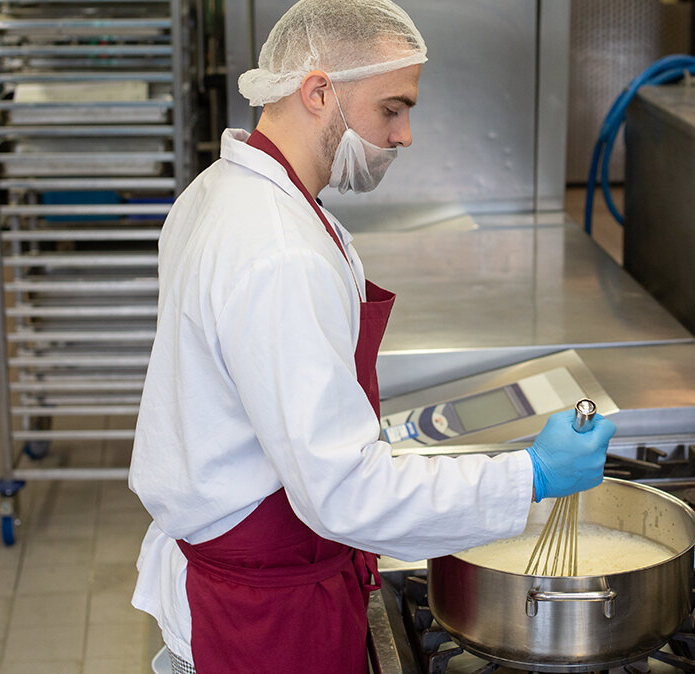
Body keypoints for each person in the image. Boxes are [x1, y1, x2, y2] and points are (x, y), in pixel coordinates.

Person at [128, 1, 617, 672]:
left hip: (252, 571)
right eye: (392, 108)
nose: (405, 133)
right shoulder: (279, 252)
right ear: (319, 90)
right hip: (271, 616)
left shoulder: (222, 191)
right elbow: (344, 495)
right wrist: (529, 477)